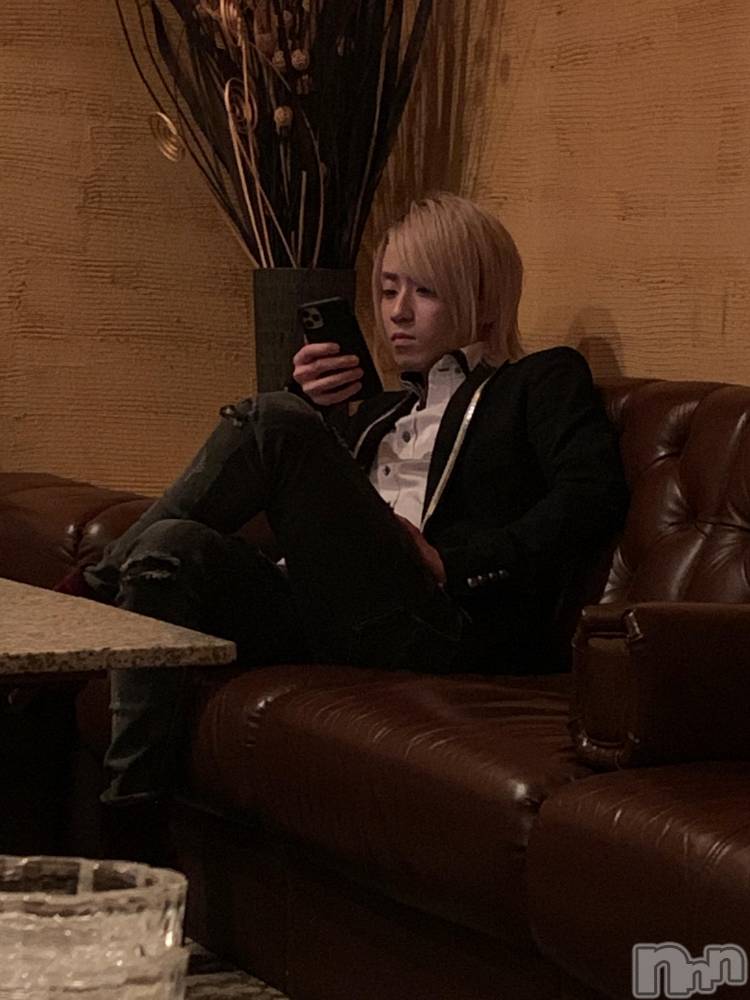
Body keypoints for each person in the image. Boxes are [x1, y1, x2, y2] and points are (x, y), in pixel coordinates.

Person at [79, 192, 628, 813]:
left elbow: (591, 495)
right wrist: (310, 407)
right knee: (166, 547)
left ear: (483, 300)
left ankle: (86, 596)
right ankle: (131, 813)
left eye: (424, 291)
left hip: (435, 621)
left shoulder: (538, 380)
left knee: (273, 418)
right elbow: (308, 511)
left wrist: (454, 563)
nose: (397, 312)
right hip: (325, 612)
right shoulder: (378, 412)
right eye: (389, 290)